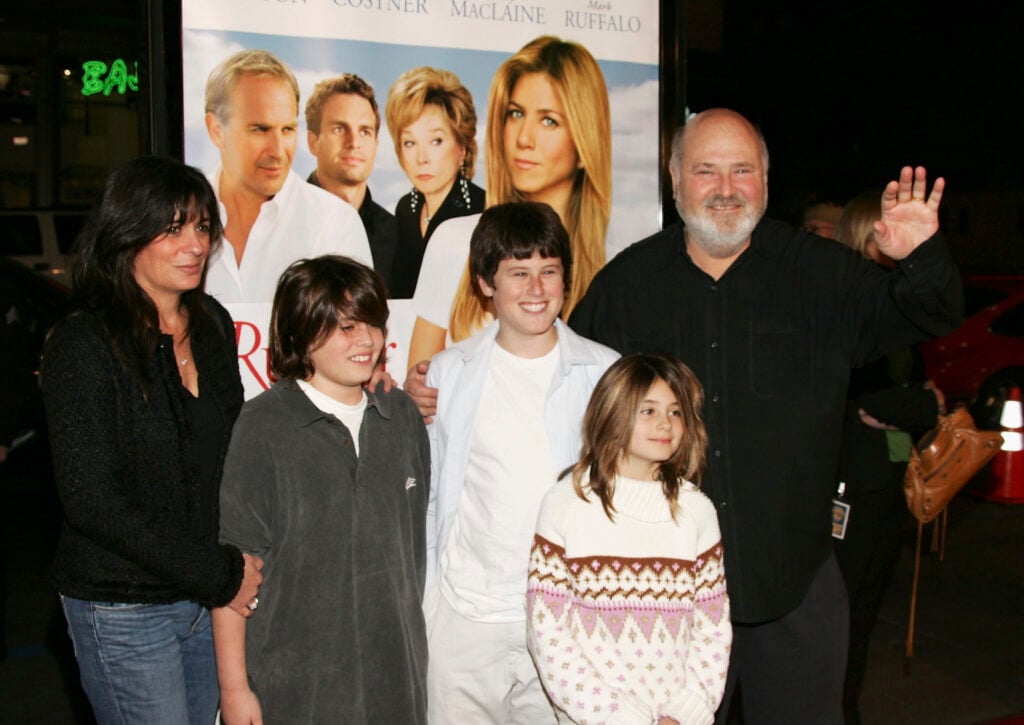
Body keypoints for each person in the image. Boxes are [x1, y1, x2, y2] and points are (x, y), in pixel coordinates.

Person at [568, 108, 963, 725]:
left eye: (742, 170)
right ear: (675, 182)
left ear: (766, 181)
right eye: (706, 170)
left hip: (796, 587)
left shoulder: (824, 274)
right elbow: (565, 384)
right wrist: (449, 382)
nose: (725, 188)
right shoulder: (626, 284)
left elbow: (929, 315)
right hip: (667, 597)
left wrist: (921, 258)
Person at [40, 156, 263, 724]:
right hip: (123, 605)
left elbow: (236, 449)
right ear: (126, 234)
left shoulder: (211, 321)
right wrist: (217, 574)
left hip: (206, 598)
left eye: (201, 227)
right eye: (171, 228)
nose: (193, 244)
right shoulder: (84, 343)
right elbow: (92, 500)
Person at [213, 256, 430, 724]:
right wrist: (235, 689)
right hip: (295, 683)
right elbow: (233, 567)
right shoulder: (263, 426)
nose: (366, 340)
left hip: (394, 676)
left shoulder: (402, 417)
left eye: (372, 323)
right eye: (345, 327)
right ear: (299, 334)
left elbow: (412, 555)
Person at [425, 202, 618, 723]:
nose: (536, 289)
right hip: (466, 618)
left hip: (567, 618)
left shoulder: (606, 374)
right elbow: (429, 494)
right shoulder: (446, 374)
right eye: (518, 273)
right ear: (486, 284)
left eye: (549, 271)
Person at [528, 353, 731, 725]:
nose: (665, 424)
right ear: (612, 413)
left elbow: (712, 629)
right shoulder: (566, 504)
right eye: (648, 410)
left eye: (675, 412)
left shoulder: (697, 513)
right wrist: (616, 715)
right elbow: (548, 634)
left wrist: (683, 713)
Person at [405, 35, 612, 381]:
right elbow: (419, 391)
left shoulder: (613, 266)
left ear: (584, 140)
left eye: (548, 121)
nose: (523, 138)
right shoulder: (456, 240)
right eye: (516, 114)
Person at [832, 190, 942, 724]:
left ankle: (844, 706)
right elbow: (874, 395)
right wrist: (920, 403)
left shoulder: (889, 302)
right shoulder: (849, 307)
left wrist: (917, 403)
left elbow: (907, 393)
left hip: (888, 477)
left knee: (867, 609)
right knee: (842, 612)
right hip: (850, 485)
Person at [202, 49, 372, 304]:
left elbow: (357, 336)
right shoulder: (175, 220)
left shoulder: (335, 224)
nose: (278, 151)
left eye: (288, 129)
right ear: (216, 130)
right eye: (260, 129)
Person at [384, 66, 485, 299]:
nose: (422, 158)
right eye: (410, 143)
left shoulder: (485, 210)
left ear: (462, 147)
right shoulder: (405, 209)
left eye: (436, 141)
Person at [305, 74, 399, 292]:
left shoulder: (398, 237)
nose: (354, 143)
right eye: (339, 129)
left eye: (365, 131)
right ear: (313, 141)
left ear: (376, 143)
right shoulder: (278, 222)